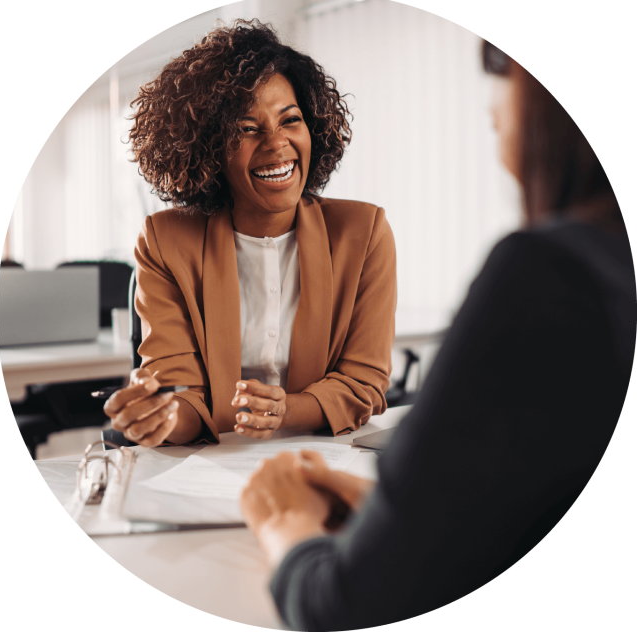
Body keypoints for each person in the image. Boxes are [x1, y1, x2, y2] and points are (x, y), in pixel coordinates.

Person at [239, 41, 637, 630]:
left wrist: (284, 523)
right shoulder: (607, 267)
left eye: (501, 67)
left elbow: (350, 608)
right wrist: (408, 518)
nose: (492, 100)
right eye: (247, 128)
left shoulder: (551, 278)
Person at [102, 20, 396, 446]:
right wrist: (160, 416)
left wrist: (284, 411)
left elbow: (362, 383)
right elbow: (182, 394)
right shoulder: (166, 241)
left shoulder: (363, 232)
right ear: (208, 147)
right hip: (209, 464)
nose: (276, 144)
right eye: (246, 128)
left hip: (322, 455)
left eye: (289, 120)